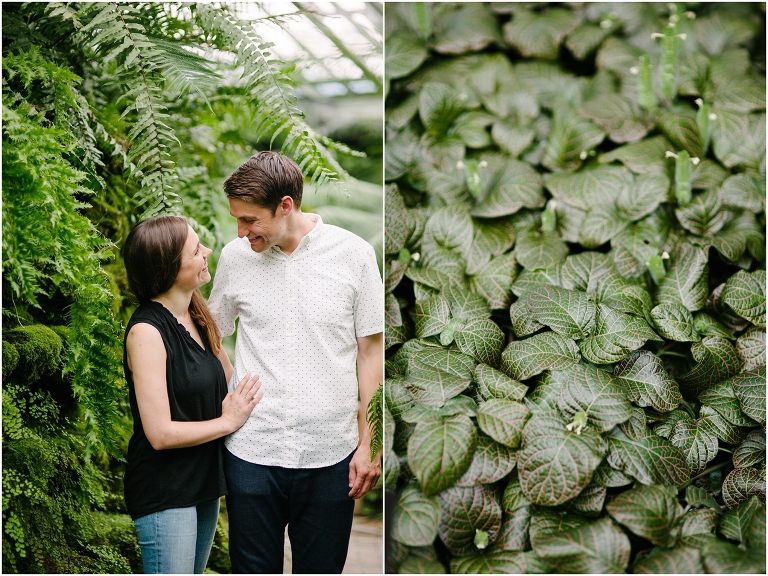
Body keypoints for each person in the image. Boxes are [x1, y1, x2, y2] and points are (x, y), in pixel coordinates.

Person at [208, 151, 384, 574]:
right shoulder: (235, 257)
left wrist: (371, 445)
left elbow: (371, 354)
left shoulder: (355, 254)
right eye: (236, 219)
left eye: (250, 220)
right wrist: (233, 387)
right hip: (252, 451)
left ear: (286, 205)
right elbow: (212, 335)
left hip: (332, 456)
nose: (241, 232)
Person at [122, 216, 263, 574]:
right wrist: (227, 422)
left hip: (204, 485)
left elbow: (232, 383)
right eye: (196, 250)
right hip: (166, 490)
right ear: (169, 268)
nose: (208, 252)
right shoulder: (146, 332)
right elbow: (160, 433)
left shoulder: (198, 315)